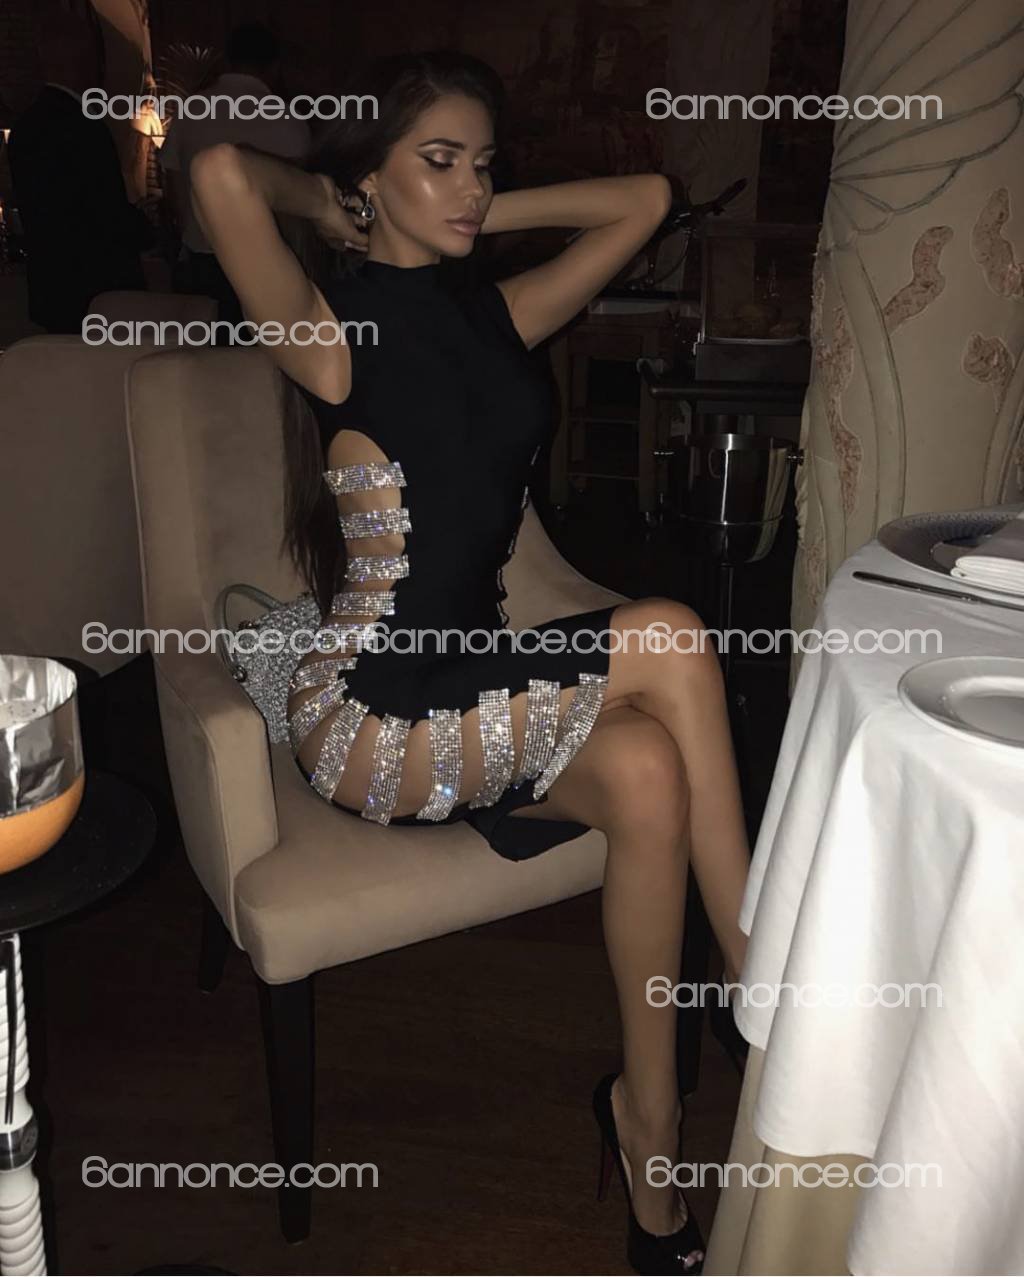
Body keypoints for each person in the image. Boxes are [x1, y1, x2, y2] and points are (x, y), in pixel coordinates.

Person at [190, 50, 750, 1275]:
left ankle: (649, 1135)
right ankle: (758, 979)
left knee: (649, 771)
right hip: (371, 712)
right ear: (372, 177)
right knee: (669, 633)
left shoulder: (499, 312)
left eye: (483, 166)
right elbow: (222, 172)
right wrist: (340, 202)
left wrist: (465, 209)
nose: (471, 189)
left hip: (470, 681)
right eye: (438, 161)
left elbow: (644, 202)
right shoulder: (330, 334)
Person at [8, 11, 152, 333]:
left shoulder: (25, 127)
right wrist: (147, 230)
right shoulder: (84, 127)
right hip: (98, 289)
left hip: (52, 287)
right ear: (84, 62)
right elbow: (105, 211)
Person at [159, 20, 309, 330]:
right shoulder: (286, 119)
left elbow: (172, 183)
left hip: (202, 261)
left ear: (227, 60)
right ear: (275, 66)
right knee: (265, 353)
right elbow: (301, 204)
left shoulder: (190, 110)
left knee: (203, 352)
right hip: (267, 267)